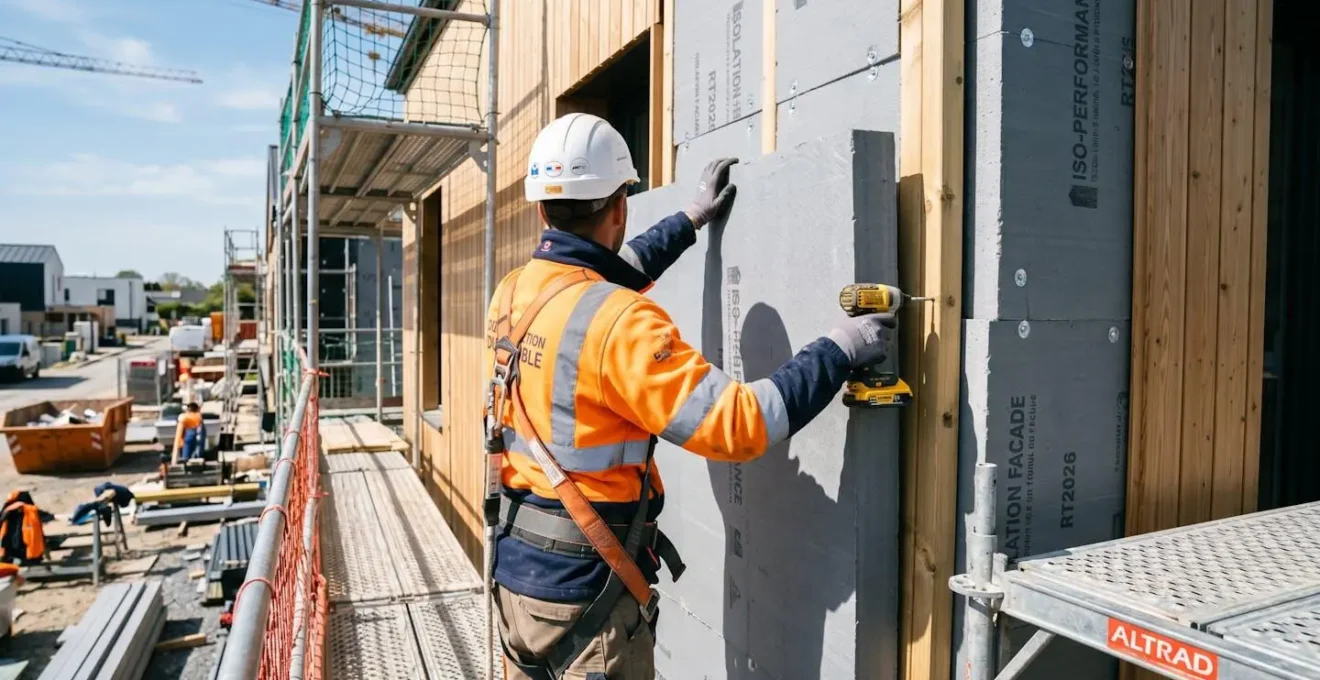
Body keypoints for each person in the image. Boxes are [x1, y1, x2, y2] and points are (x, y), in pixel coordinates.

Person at [485, 112, 894, 679]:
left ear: (541, 209)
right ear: (621, 206)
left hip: (516, 586)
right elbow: (741, 423)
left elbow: (601, 276)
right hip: (584, 603)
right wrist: (841, 347)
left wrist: (689, 219)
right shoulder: (620, 323)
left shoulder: (515, 295)